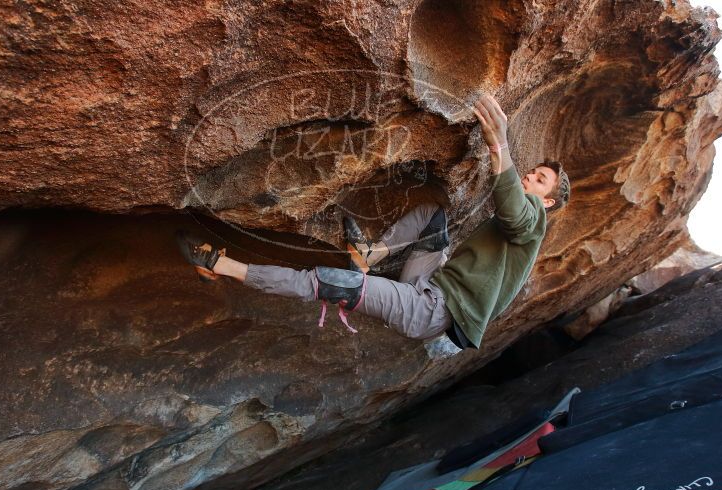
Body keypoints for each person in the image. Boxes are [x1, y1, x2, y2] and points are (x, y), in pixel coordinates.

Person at [177, 94, 570, 349]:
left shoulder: (534, 220)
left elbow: (515, 211)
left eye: (539, 180)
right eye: (531, 171)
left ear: (548, 201)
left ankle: (219, 265)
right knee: (432, 216)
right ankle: (367, 257)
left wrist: (499, 143)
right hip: (433, 282)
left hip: (429, 310)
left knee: (329, 283)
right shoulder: (523, 220)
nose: (528, 178)